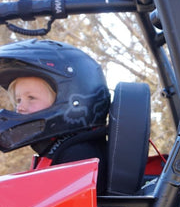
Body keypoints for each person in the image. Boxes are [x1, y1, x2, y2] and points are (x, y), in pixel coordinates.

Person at [0, 38, 111, 186]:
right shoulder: (60, 148)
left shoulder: (79, 155)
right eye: (18, 100)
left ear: (70, 100)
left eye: (31, 98)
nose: (20, 107)